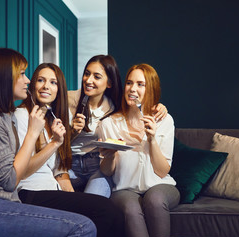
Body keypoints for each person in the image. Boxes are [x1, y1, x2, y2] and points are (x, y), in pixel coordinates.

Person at [0, 48, 97, 237]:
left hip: (4, 204)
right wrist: (33, 133)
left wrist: (60, 138)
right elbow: (11, 181)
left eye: (53, 82)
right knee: (83, 227)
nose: (27, 80)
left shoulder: (3, 116)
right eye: (22, 74)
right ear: (3, 78)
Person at [14, 63, 126, 237]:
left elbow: (59, 169)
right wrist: (55, 143)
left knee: (109, 213)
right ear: (32, 84)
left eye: (53, 83)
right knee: (107, 211)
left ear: (59, 90)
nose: (46, 87)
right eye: (40, 80)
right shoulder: (22, 115)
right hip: (30, 192)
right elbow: (22, 171)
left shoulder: (51, 118)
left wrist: (72, 197)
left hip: (51, 188)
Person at [97, 63, 180, 237]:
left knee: (155, 200)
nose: (132, 89)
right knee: (131, 208)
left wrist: (152, 139)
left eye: (140, 84)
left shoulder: (164, 121)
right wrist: (110, 155)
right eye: (129, 83)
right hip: (125, 189)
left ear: (151, 89)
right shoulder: (109, 124)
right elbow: (106, 171)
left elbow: (162, 171)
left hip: (161, 186)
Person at [68, 55, 168, 198]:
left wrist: (159, 106)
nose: (88, 80)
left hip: (97, 164)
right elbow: (53, 142)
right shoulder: (68, 100)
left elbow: (138, 99)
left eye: (97, 76)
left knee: (94, 202)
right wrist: (73, 132)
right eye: (87, 74)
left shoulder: (114, 106)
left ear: (109, 83)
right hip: (69, 163)